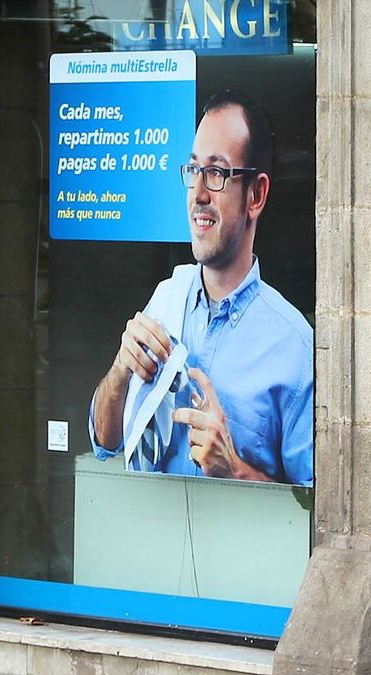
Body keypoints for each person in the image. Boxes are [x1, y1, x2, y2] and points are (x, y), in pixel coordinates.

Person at [89, 93, 313, 485]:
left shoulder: (294, 348)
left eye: (217, 173)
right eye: (194, 170)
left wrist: (234, 469)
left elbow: (314, 507)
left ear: (256, 195)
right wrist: (121, 371)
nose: (199, 194)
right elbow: (104, 442)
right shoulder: (165, 299)